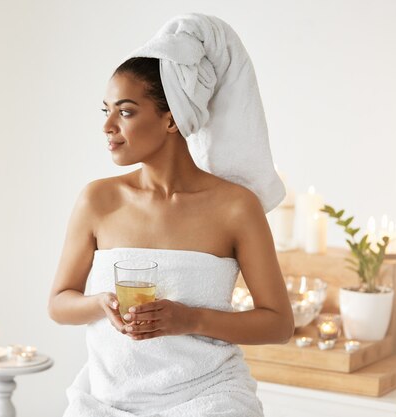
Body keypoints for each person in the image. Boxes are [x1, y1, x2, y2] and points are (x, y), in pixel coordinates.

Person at [48, 13, 294, 417]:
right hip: (106, 401)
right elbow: (59, 303)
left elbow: (279, 324)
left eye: (125, 112)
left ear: (171, 118)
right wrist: (100, 305)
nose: (108, 125)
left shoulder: (236, 207)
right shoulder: (98, 200)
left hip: (208, 399)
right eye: (105, 110)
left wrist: (191, 319)